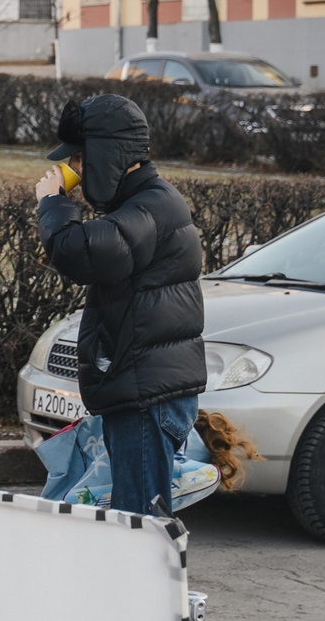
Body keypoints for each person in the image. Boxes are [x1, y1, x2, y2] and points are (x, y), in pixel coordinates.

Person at [36, 95, 206, 519]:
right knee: (138, 522)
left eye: (80, 158)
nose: (75, 169)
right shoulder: (142, 204)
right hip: (141, 392)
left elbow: (81, 252)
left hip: (146, 398)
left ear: (107, 155)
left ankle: (155, 588)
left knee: (141, 525)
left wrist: (55, 201)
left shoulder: (152, 206)